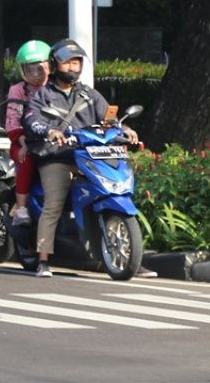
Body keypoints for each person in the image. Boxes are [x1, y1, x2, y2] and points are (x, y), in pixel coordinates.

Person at [22, 39, 141, 278]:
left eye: (76, 62)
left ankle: (133, 257)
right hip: (58, 157)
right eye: (68, 63)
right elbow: (31, 120)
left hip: (90, 154)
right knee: (54, 203)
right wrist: (50, 131)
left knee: (116, 189)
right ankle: (44, 259)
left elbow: (109, 119)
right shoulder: (43, 95)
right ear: (56, 65)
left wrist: (124, 130)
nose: (73, 67)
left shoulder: (88, 94)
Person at [6, 40, 49, 225]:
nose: (35, 75)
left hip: (52, 139)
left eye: (40, 69)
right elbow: (12, 119)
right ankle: (21, 208)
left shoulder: (54, 88)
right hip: (23, 141)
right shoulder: (16, 90)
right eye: (29, 70)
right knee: (25, 158)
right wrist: (23, 142)